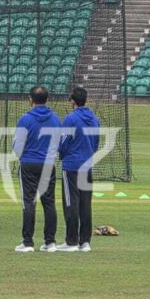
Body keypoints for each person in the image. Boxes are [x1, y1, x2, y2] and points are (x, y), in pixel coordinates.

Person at [13, 85, 61, 253]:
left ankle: (27, 242)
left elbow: (17, 145)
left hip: (29, 163)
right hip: (48, 163)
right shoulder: (55, 118)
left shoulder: (25, 119)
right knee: (49, 202)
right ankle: (50, 241)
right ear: (47, 99)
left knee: (29, 202)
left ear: (30, 100)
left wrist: (23, 157)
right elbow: (58, 142)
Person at [57, 86, 100, 252]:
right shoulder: (95, 119)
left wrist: (62, 154)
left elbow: (63, 142)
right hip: (87, 164)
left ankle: (71, 241)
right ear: (86, 100)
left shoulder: (70, 119)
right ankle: (85, 241)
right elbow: (96, 143)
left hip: (72, 165)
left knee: (71, 202)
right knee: (85, 203)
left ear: (72, 102)